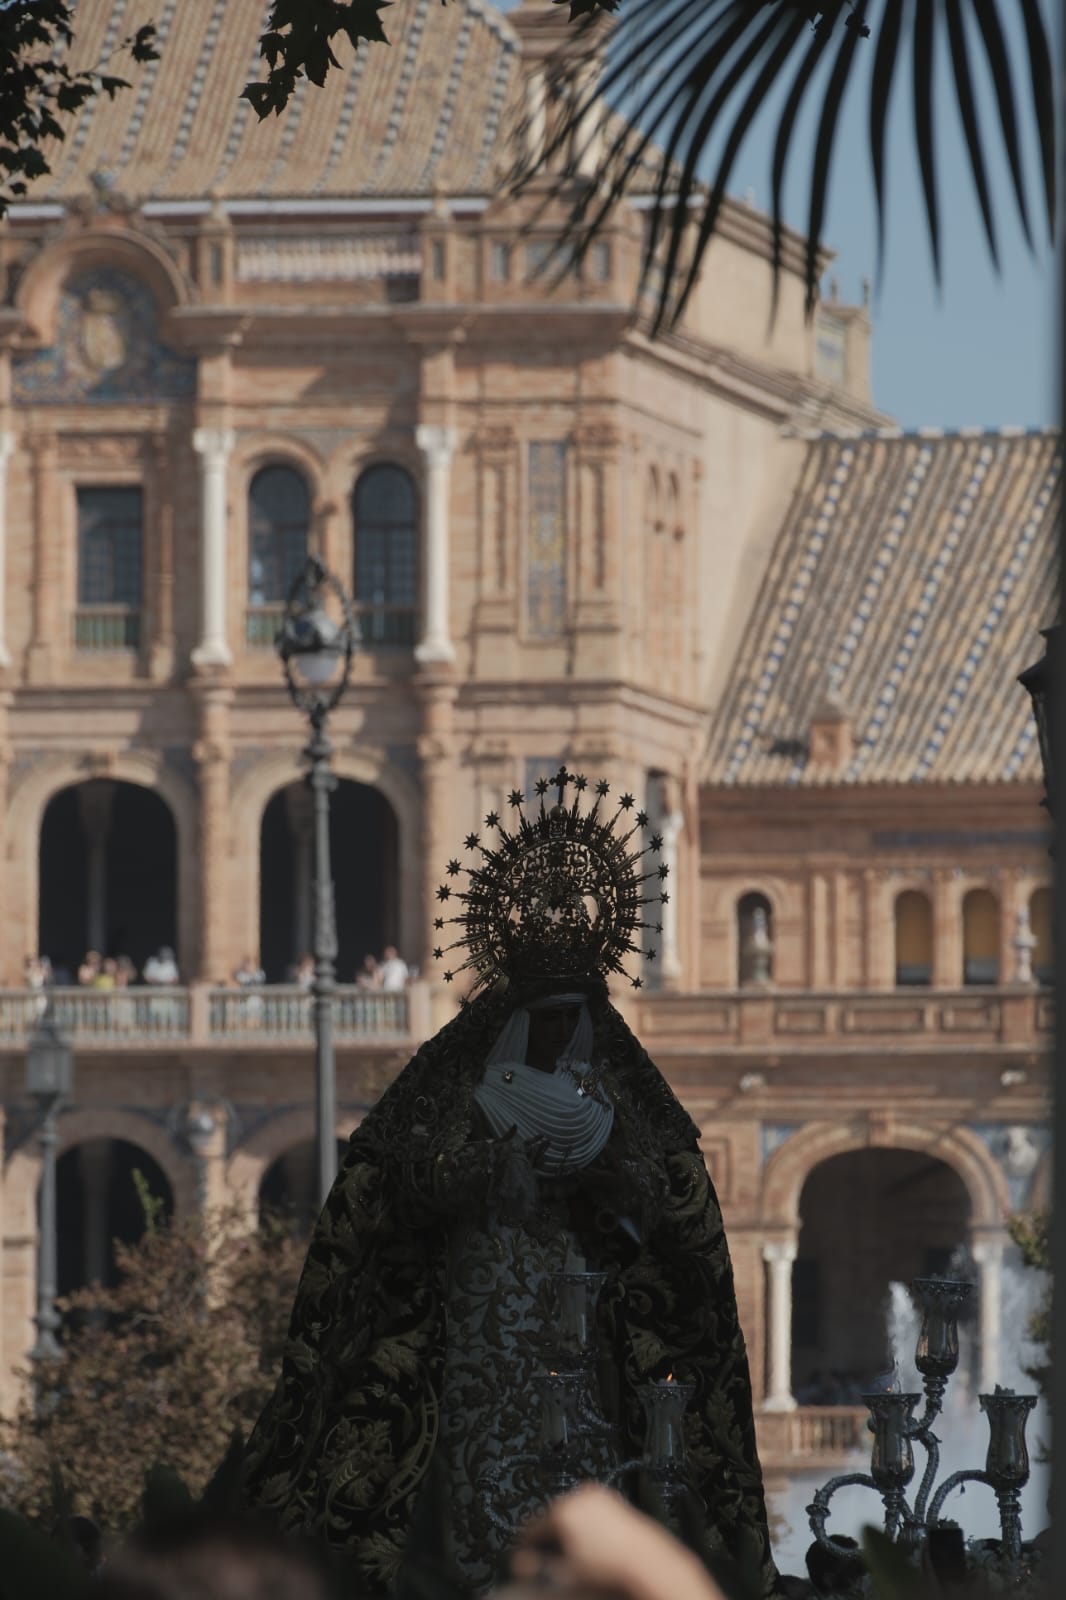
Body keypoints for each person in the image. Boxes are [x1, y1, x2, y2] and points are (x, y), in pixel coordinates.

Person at [243, 771, 780, 1599]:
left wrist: (610, 1179)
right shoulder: (455, 1086)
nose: (565, 1032)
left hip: (591, 1332)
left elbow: (679, 1221)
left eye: (577, 1014)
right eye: (550, 1015)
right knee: (476, 1484)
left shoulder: (624, 1096)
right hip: (477, 1325)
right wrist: (483, 1172)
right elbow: (391, 1186)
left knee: (590, 1474)